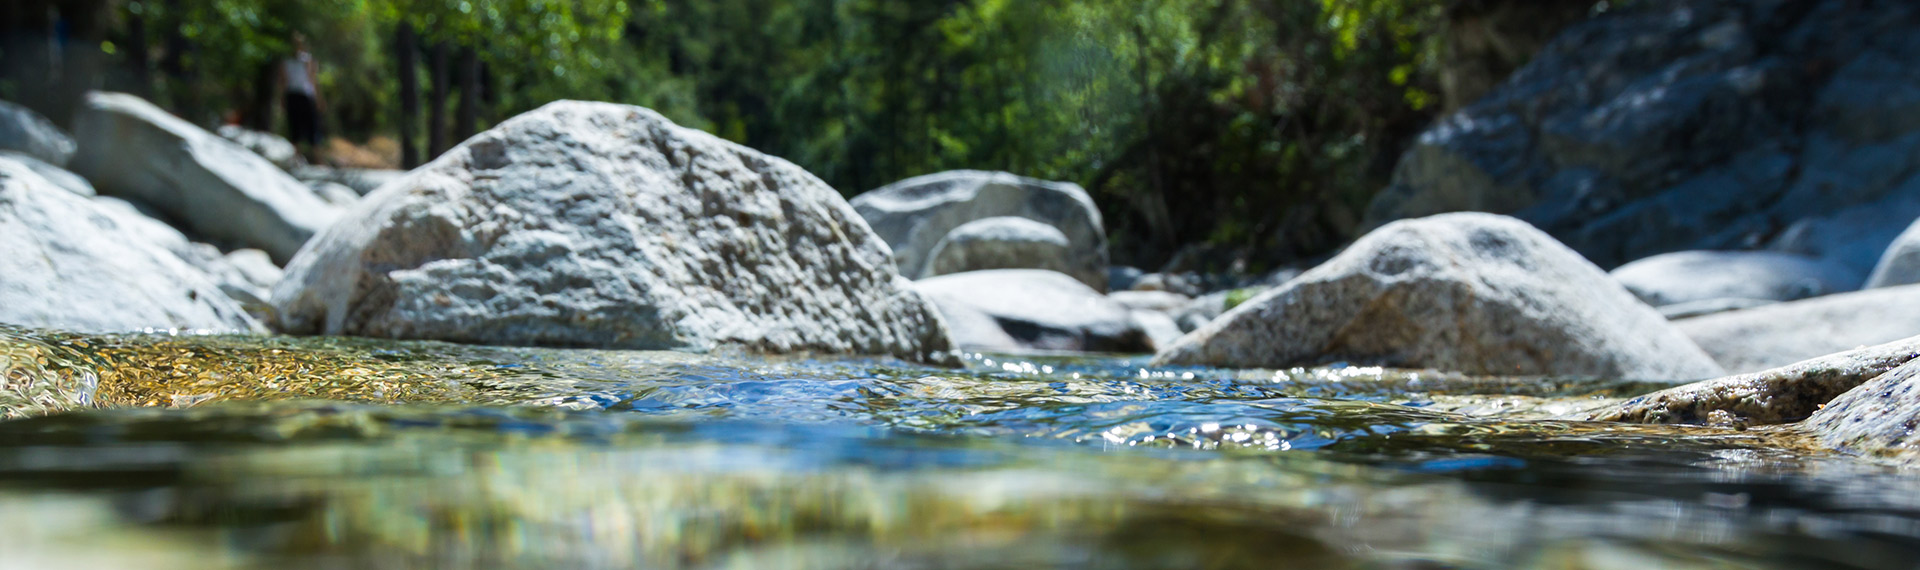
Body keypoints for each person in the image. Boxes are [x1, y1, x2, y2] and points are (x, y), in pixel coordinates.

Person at [278, 33, 325, 164]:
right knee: (295, 126)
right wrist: (282, 98)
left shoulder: (308, 60)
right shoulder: (286, 61)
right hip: (293, 94)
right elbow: (283, 81)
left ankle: (318, 159)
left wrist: (318, 98)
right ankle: (297, 157)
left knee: (312, 127)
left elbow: (313, 80)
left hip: (304, 95)